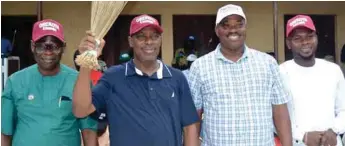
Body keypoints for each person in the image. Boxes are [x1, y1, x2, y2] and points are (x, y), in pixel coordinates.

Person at [72, 14, 200, 146]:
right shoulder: (113, 77)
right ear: (130, 41)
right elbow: (81, 110)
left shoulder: (177, 78)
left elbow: (189, 127)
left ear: (160, 40)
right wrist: (86, 60)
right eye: (141, 36)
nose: (149, 42)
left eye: (154, 36)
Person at [187, 4, 292, 146]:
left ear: (245, 27)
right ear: (217, 30)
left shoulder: (268, 63)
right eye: (226, 25)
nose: (233, 30)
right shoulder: (200, 67)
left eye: (239, 24)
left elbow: (280, 112)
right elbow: (193, 118)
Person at [1, 19, 98, 146]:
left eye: (54, 46)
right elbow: (5, 134)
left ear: (63, 48)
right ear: (32, 46)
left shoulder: (79, 82)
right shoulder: (15, 81)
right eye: (41, 46)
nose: (48, 52)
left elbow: (89, 132)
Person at [280, 14, 345, 146]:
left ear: (316, 38)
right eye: (298, 38)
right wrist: (303, 136)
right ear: (288, 44)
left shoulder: (333, 70)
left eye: (310, 37)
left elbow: (343, 109)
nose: (305, 42)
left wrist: (334, 131)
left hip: (331, 142)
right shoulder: (280, 72)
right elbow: (275, 117)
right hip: (297, 142)